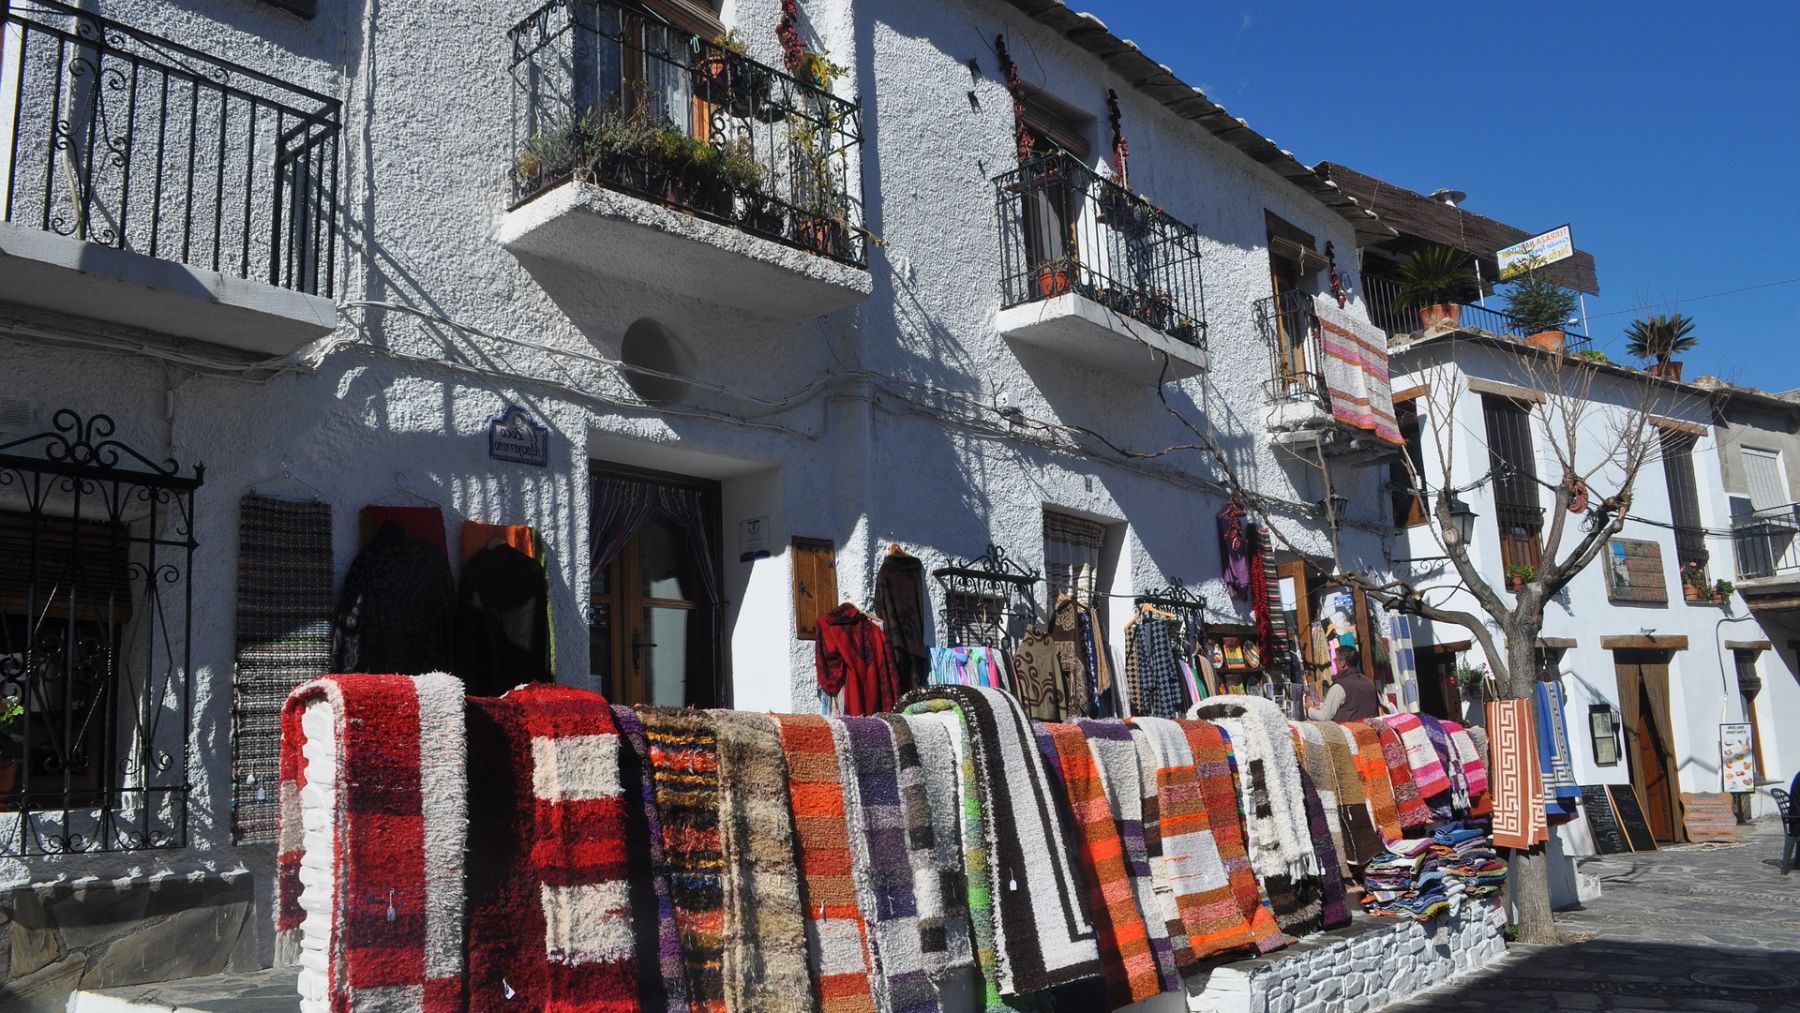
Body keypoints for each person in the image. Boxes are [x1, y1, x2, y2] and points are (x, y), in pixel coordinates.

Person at [1307, 645, 1380, 721]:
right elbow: (1353, 706)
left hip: (1350, 731)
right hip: (1369, 730)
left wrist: (1308, 709)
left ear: (1343, 663)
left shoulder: (1340, 686)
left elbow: (1324, 717)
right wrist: (1320, 706)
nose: (1334, 662)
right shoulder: (1369, 683)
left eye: (1336, 660)